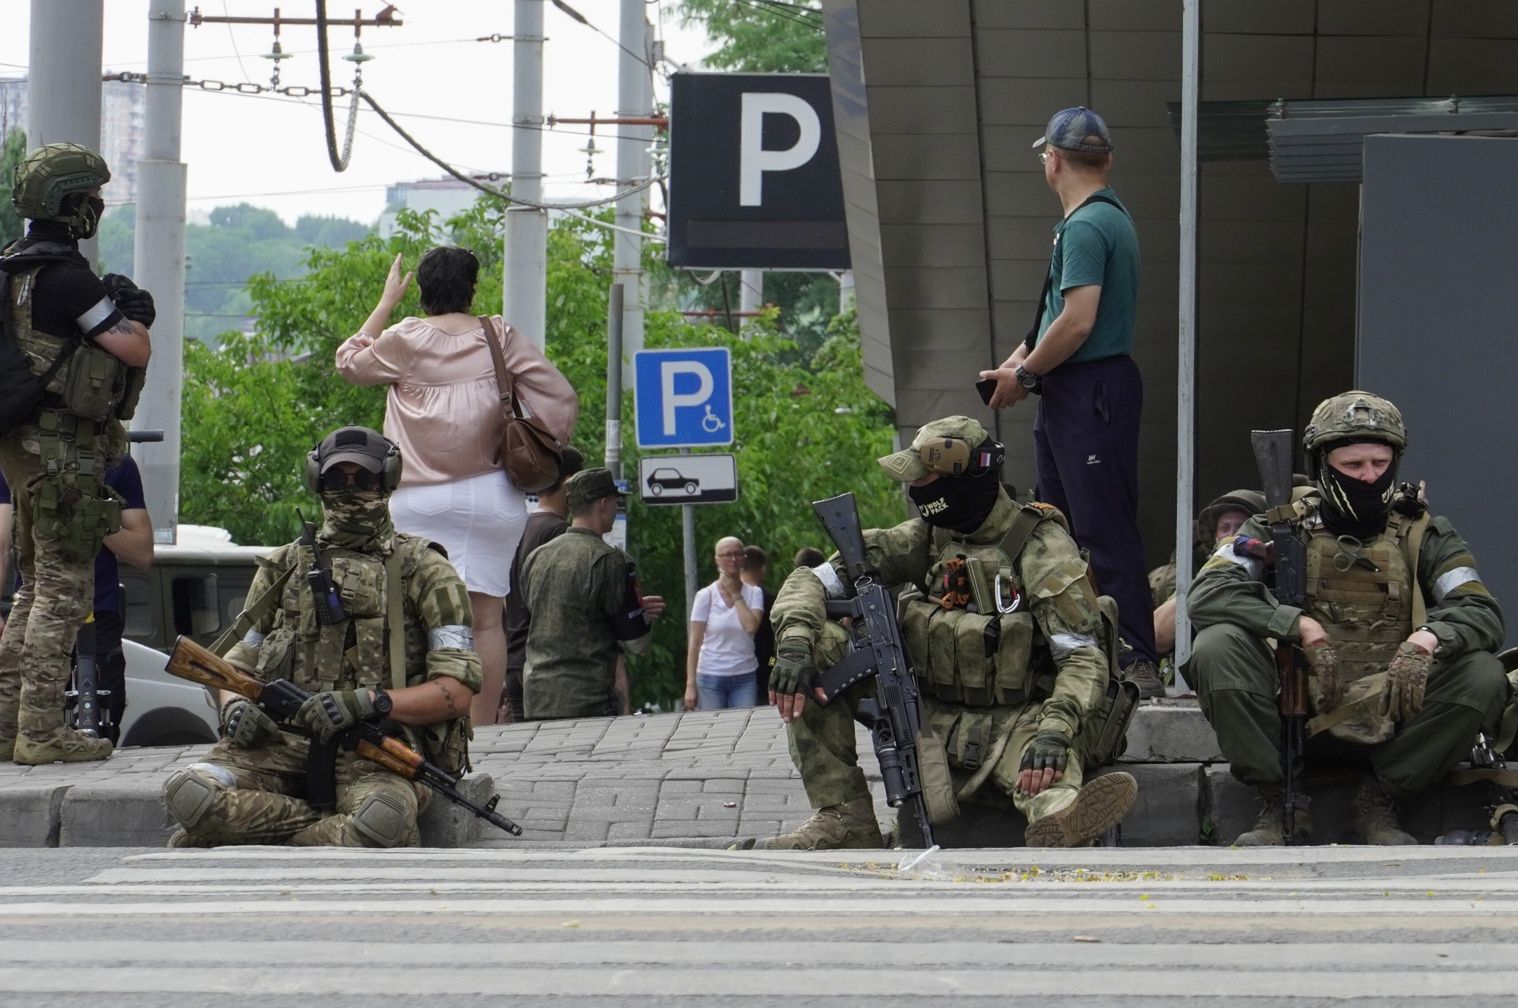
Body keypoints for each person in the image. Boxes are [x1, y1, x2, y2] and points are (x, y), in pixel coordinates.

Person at [746, 416, 1138, 850]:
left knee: (1046, 773)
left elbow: (1082, 656)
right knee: (821, 650)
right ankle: (845, 817)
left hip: (1020, 719)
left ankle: (1062, 818)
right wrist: (796, 641)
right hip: (929, 717)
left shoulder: (1042, 548)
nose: (918, 489)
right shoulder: (928, 538)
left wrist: (1057, 729)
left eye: (927, 477)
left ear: (969, 476)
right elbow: (815, 578)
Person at [1188, 391, 1506, 846]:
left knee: (1482, 673)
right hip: (1293, 713)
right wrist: (1298, 626)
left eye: (1379, 463)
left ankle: (1379, 799)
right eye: (1353, 466)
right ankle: (1280, 802)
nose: (1369, 476)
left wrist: (1429, 639)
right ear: (1322, 463)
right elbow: (1208, 594)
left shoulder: (1423, 531)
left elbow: (1482, 612)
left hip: (1394, 717)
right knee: (1217, 645)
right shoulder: (1275, 526)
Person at [161, 426, 480, 848]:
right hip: (278, 745)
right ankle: (321, 830)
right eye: (336, 480)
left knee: (382, 819)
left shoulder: (426, 571)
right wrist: (235, 707)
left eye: (363, 479)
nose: (350, 492)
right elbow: (234, 667)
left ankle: (262, 837)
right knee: (190, 794)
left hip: (374, 750)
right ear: (317, 482)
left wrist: (372, 701)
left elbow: (456, 692)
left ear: (387, 481)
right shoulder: (283, 567)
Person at [336, 247, 577, 729]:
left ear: (422, 292)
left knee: (416, 617)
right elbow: (561, 398)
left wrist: (384, 304)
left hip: (416, 502)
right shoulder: (497, 334)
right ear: (472, 288)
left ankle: (420, 724)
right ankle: (480, 731)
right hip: (491, 495)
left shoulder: (404, 338)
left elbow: (349, 363)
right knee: (487, 619)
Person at [976, 107, 1161, 700]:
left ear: (1052, 161)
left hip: (1089, 390)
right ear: (1104, 159)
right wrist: (1013, 368)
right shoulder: (1097, 218)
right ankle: (1080, 656)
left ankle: (1134, 659)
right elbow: (1055, 320)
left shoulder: (1085, 227)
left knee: (1101, 530)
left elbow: (1077, 325)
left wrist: (1024, 377)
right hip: (1076, 389)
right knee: (1057, 530)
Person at [0, 142, 153, 765]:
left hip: (17, 446)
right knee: (63, 589)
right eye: (92, 198)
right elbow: (132, 350)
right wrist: (134, 317)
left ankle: (9, 721)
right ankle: (40, 732)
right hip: (61, 449)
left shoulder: (9, 266)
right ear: (71, 206)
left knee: (32, 587)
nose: (99, 207)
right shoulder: (66, 276)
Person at [0, 455, 154, 743]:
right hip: (38, 613)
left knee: (107, 713)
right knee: (27, 718)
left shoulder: (115, 464)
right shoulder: (20, 459)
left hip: (97, 614)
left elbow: (143, 552)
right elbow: (1, 545)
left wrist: (89, 515)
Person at [520, 468, 666, 721]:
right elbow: (636, 642)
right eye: (616, 502)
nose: (616, 508)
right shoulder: (611, 561)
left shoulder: (537, 557)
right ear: (603, 504)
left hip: (536, 695)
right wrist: (643, 616)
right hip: (589, 698)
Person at [501, 445, 584, 723]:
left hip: (511, 656)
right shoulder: (558, 533)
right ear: (569, 483)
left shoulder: (518, 526)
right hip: (542, 664)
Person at [1151, 489, 1264, 659]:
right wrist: (1212, 577)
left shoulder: (1275, 578)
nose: (1232, 536)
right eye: (1224, 528)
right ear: (1214, 537)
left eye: (1242, 527)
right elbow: (1158, 637)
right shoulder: (1200, 577)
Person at [683, 537, 766, 711]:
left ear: (744, 558)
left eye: (737, 554)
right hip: (711, 676)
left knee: (745, 725)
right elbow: (695, 641)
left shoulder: (754, 593)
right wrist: (690, 684)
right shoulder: (705, 595)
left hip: (745, 675)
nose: (733, 559)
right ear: (717, 559)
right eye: (727, 555)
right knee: (715, 731)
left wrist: (736, 594)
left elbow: (751, 627)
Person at [744, 545, 776, 700]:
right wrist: (774, 662)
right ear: (762, 568)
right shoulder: (769, 598)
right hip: (766, 661)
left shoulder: (728, 596)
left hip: (732, 666)